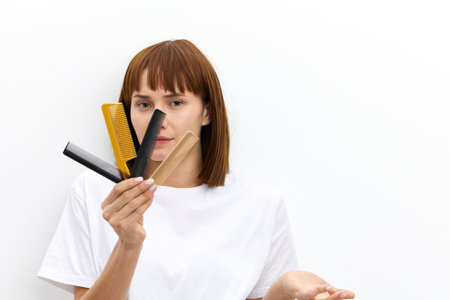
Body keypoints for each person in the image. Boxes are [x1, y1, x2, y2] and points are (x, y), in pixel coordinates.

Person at [38, 39, 355, 300]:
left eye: (175, 102)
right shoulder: (95, 192)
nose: (158, 119)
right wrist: (128, 244)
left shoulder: (260, 202)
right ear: (127, 111)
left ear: (207, 112)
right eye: (144, 104)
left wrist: (284, 290)